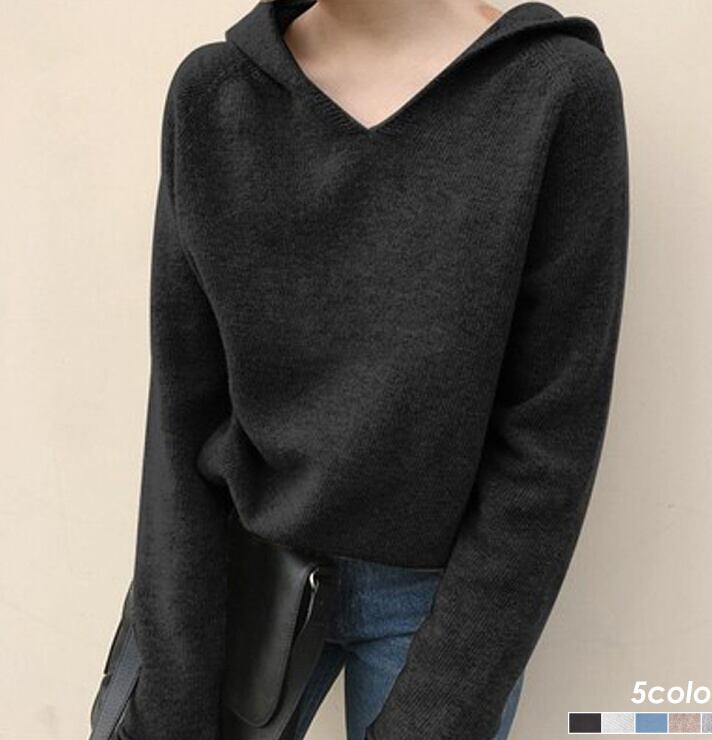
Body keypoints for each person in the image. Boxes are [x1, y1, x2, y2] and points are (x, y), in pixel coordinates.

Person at [111, 0, 629, 738]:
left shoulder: (554, 90)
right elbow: (181, 414)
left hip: (443, 598)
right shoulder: (214, 95)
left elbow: (550, 434)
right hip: (243, 570)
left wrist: (440, 713)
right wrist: (171, 694)